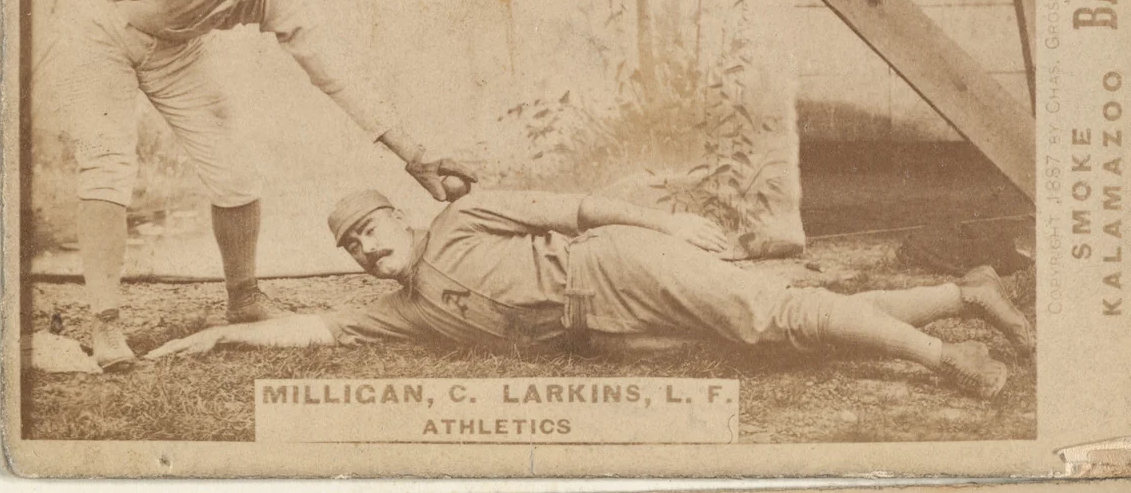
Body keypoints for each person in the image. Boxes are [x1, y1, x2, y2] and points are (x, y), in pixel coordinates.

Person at [61, 0, 478, 371]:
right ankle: (107, 324)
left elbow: (334, 73)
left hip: (174, 51)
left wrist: (414, 155)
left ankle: (244, 300)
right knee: (107, 165)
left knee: (235, 171)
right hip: (99, 33)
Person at [148, 188, 1035, 399]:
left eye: (373, 231)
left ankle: (947, 357)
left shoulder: (460, 218)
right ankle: (968, 293)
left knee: (772, 313)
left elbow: (575, 204)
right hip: (605, 334)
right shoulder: (402, 305)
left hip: (614, 265)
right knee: (776, 337)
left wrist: (668, 227)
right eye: (353, 249)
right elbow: (315, 330)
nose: (369, 251)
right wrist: (219, 339)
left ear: (401, 216)